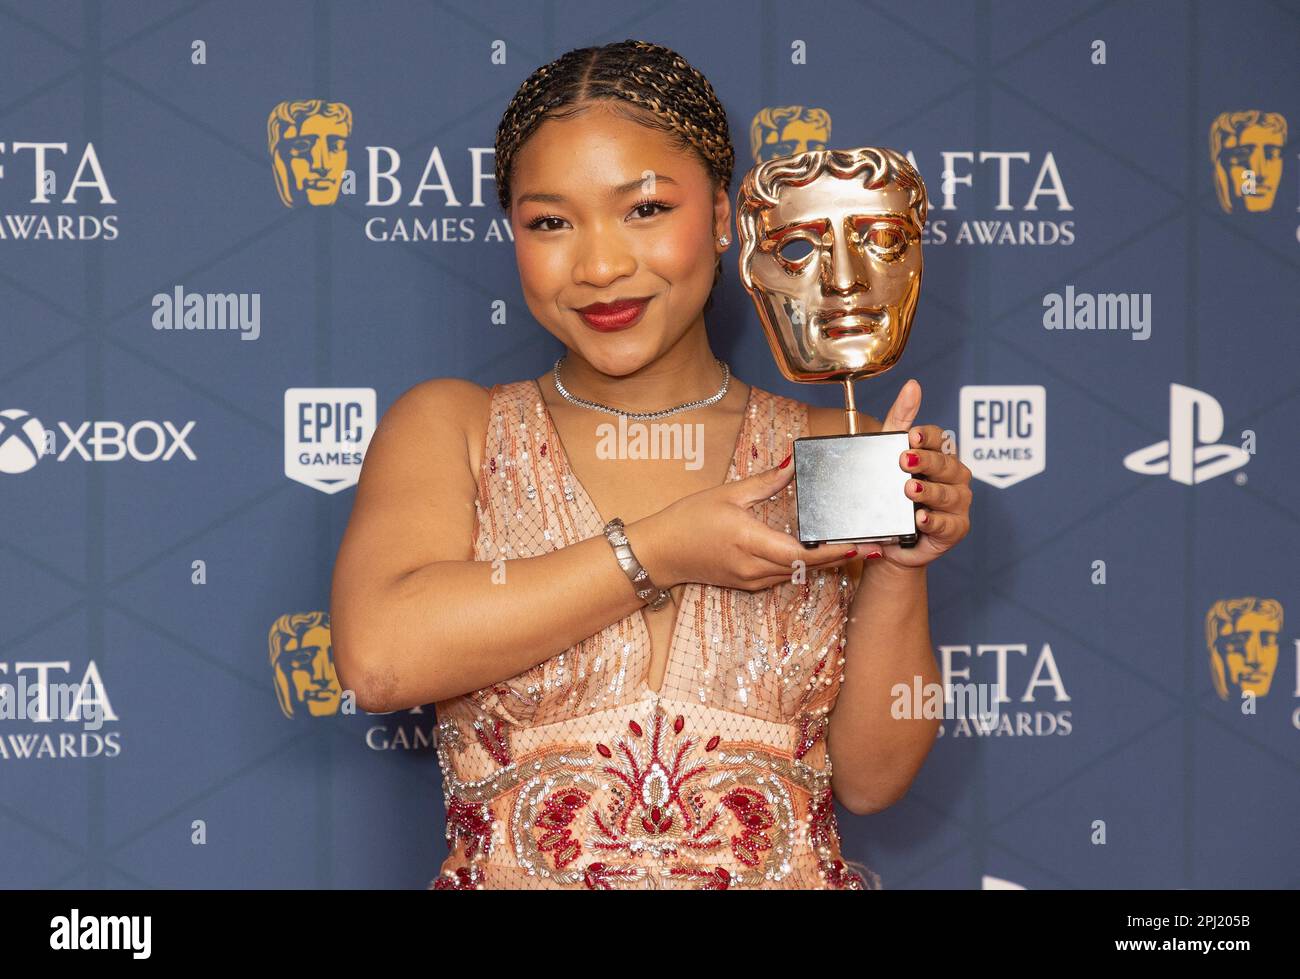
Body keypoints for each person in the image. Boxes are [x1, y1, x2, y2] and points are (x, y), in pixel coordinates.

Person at [330, 39, 972, 890]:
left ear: (718, 216)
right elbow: (380, 661)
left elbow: (872, 778)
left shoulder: (832, 444)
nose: (600, 266)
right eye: (550, 222)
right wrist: (659, 550)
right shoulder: (457, 428)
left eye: (644, 210)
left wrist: (902, 564)